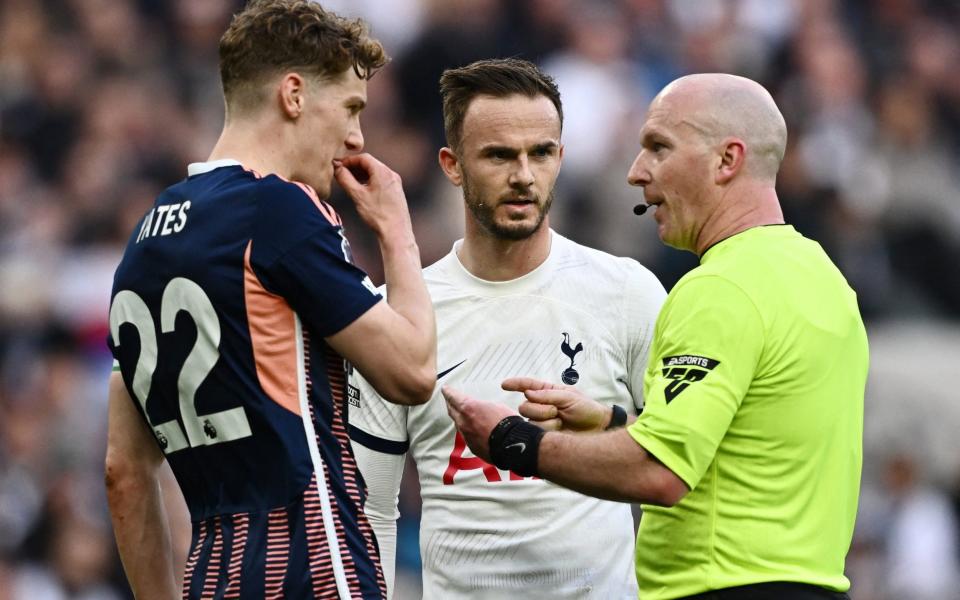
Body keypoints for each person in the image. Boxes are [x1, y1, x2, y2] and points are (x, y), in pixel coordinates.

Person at [443, 73, 868, 600]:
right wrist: (611, 421)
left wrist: (514, 441)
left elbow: (659, 472)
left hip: (723, 587)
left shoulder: (721, 289)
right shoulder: (823, 279)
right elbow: (741, 441)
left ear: (727, 160)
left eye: (658, 147)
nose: (635, 172)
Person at [104, 2, 437, 598]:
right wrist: (397, 232)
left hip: (210, 576)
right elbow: (411, 371)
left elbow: (124, 474)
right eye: (352, 108)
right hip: (313, 570)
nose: (357, 137)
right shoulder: (278, 209)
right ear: (294, 94)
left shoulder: (141, 243)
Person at [347, 58, 665, 599]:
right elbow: (370, 512)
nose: (524, 175)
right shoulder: (396, 315)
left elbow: (676, 462)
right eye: (498, 155)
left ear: (561, 157)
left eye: (541, 153)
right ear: (451, 164)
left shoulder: (627, 292)